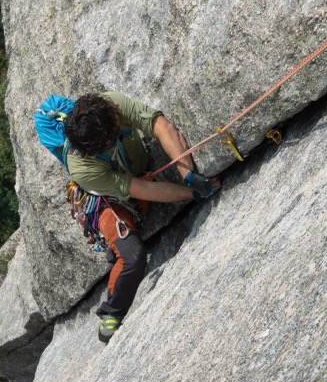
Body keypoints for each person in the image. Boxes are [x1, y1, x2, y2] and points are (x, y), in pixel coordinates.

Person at [62, 92, 219, 343]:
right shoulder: (82, 167)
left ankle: (118, 245)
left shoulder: (109, 106)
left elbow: (160, 125)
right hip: (103, 200)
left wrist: (187, 172)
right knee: (133, 257)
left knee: (130, 240)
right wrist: (191, 193)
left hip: (136, 175)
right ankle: (111, 312)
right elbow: (141, 190)